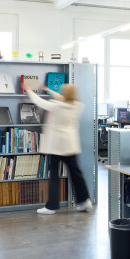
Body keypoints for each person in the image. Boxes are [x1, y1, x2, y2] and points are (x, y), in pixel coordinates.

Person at [25, 84, 92, 215]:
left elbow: (40, 102)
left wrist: (29, 90)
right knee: (76, 174)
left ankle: (51, 207)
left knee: (54, 175)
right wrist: (49, 90)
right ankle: (85, 201)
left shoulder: (57, 106)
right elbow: (64, 98)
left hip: (56, 146)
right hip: (70, 145)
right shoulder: (78, 105)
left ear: (64, 94)